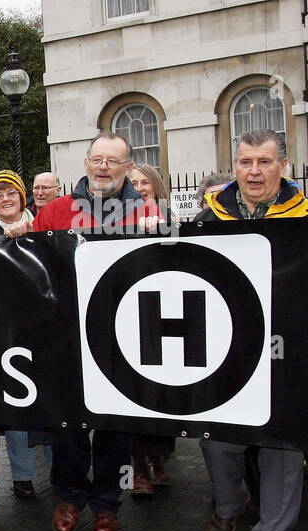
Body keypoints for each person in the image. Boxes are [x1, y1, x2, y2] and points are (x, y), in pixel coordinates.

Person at [8, 132, 161, 531]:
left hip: (120, 339)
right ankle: (71, 494)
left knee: (114, 424)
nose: (104, 167)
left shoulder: (145, 212)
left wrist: (160, 235)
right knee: (68, 422)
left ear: (128, 167)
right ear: (87, 163)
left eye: (113, 161)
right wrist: (18, 234)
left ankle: (107, 502)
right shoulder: (56, 210)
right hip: (67, 337)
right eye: (97, 159)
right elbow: (29, 266)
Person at [195, 130, 308, 531]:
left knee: (282, 447)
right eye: (246, 162)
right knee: (219, 442)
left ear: (283, 166)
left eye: (265, 162)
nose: (254, 171)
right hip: (227, 354)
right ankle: (229, 507)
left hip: (287, 355)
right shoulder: (210, 216)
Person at [0, 170, 43, 499]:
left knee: (49, 400)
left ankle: (58, 469)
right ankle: (23, 475)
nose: (5, 199)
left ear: (21, 196)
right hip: (5, 331)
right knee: (17, 401)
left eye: (10, 193)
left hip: (43, 327)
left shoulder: (45, 227)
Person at [124, 162, 178, 496]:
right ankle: (137, 467)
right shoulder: (113, 220)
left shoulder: (169, 220)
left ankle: (158, 460)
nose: (140, 187)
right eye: (134, 183)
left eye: (146, 182)